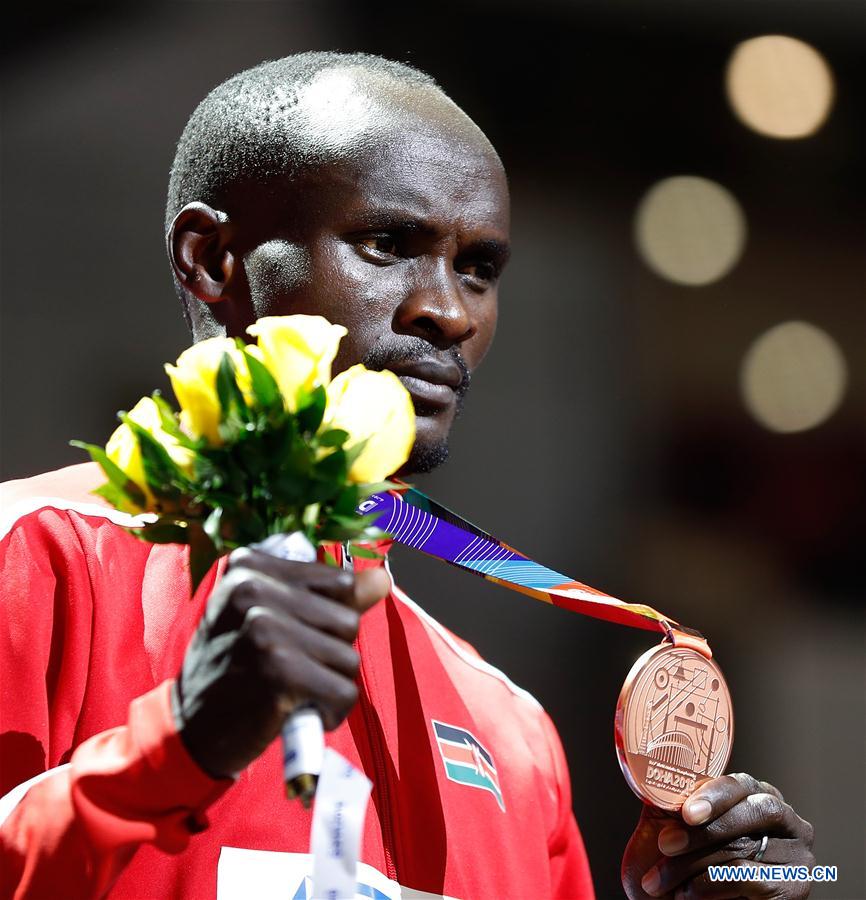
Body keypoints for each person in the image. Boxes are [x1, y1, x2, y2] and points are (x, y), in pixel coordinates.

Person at [0, 52, 815, 899]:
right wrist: (176, 749)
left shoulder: (511, 734)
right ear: (213, 260)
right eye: (387, 244)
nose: (450, 312)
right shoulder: (34, 566)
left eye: (478, 268)